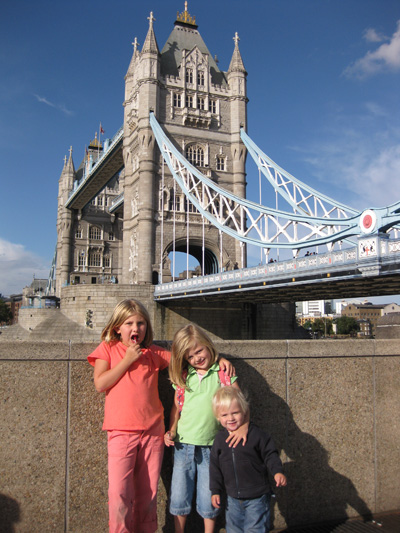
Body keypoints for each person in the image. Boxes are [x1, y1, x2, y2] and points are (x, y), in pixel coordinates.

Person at [87, 300, 234, 533]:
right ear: (117, 327)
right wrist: (127, 360)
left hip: (153, 432)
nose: (136, 329)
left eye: (141, 323)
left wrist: (218, 360)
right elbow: (100, 383)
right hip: (121, 431)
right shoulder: (107, 349)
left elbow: (186, 356)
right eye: (129, 324)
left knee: (149, 493)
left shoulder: (152, 352)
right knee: (119, 493)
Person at [164, 324, 246, 533]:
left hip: (213, 447)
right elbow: (177, 408)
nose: (197, 358)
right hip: (183, 445)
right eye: (190, 356)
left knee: (209, 495)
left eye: (199, 351)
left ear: (208, 345)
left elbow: (239, 402)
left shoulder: (223, 374)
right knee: (179, 496)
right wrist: (171, 430)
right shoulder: (184, 376)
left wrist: (243, 427)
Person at [210, 387, 287, 533]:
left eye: (235, 413)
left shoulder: (256, 434)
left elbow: (270, 454)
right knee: (233, 529)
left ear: (244, 412)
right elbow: (214, 467)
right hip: (232, 498)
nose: (231, 418)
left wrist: (277, 471)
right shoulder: (220, 439)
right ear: (218, 418)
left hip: (257, 497)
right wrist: (215, 490)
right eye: (225, 415)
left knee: (255, 529)